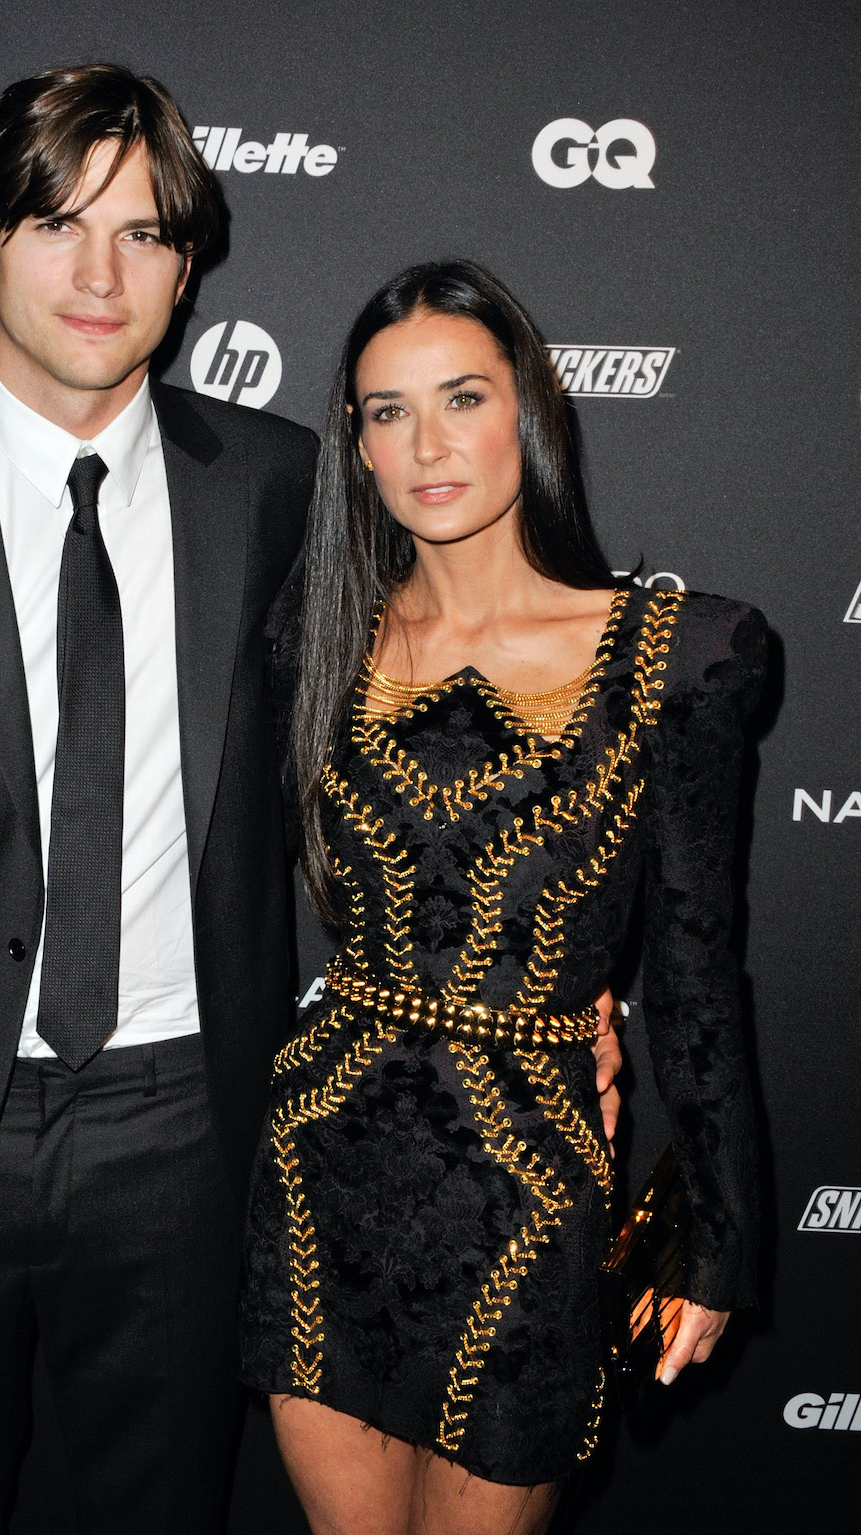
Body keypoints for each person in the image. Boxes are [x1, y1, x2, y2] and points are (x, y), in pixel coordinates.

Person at [0, 65, 623, 1533]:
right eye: (57, 223)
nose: (98, 271)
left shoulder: (279, 487)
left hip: (192, 1136)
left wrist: (560, 984)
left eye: (143, 234)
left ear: (187, 268)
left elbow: (445, 726)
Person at [241, 260, 764, 1535]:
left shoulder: (680, 652)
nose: (425, 444)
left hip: (529, 1194)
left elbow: (695, 972)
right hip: (321, 1171)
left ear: (525, 408)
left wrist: (717, 1229)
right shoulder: (312, 639)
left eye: (460, 397)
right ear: (352, 447)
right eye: (383, 412)